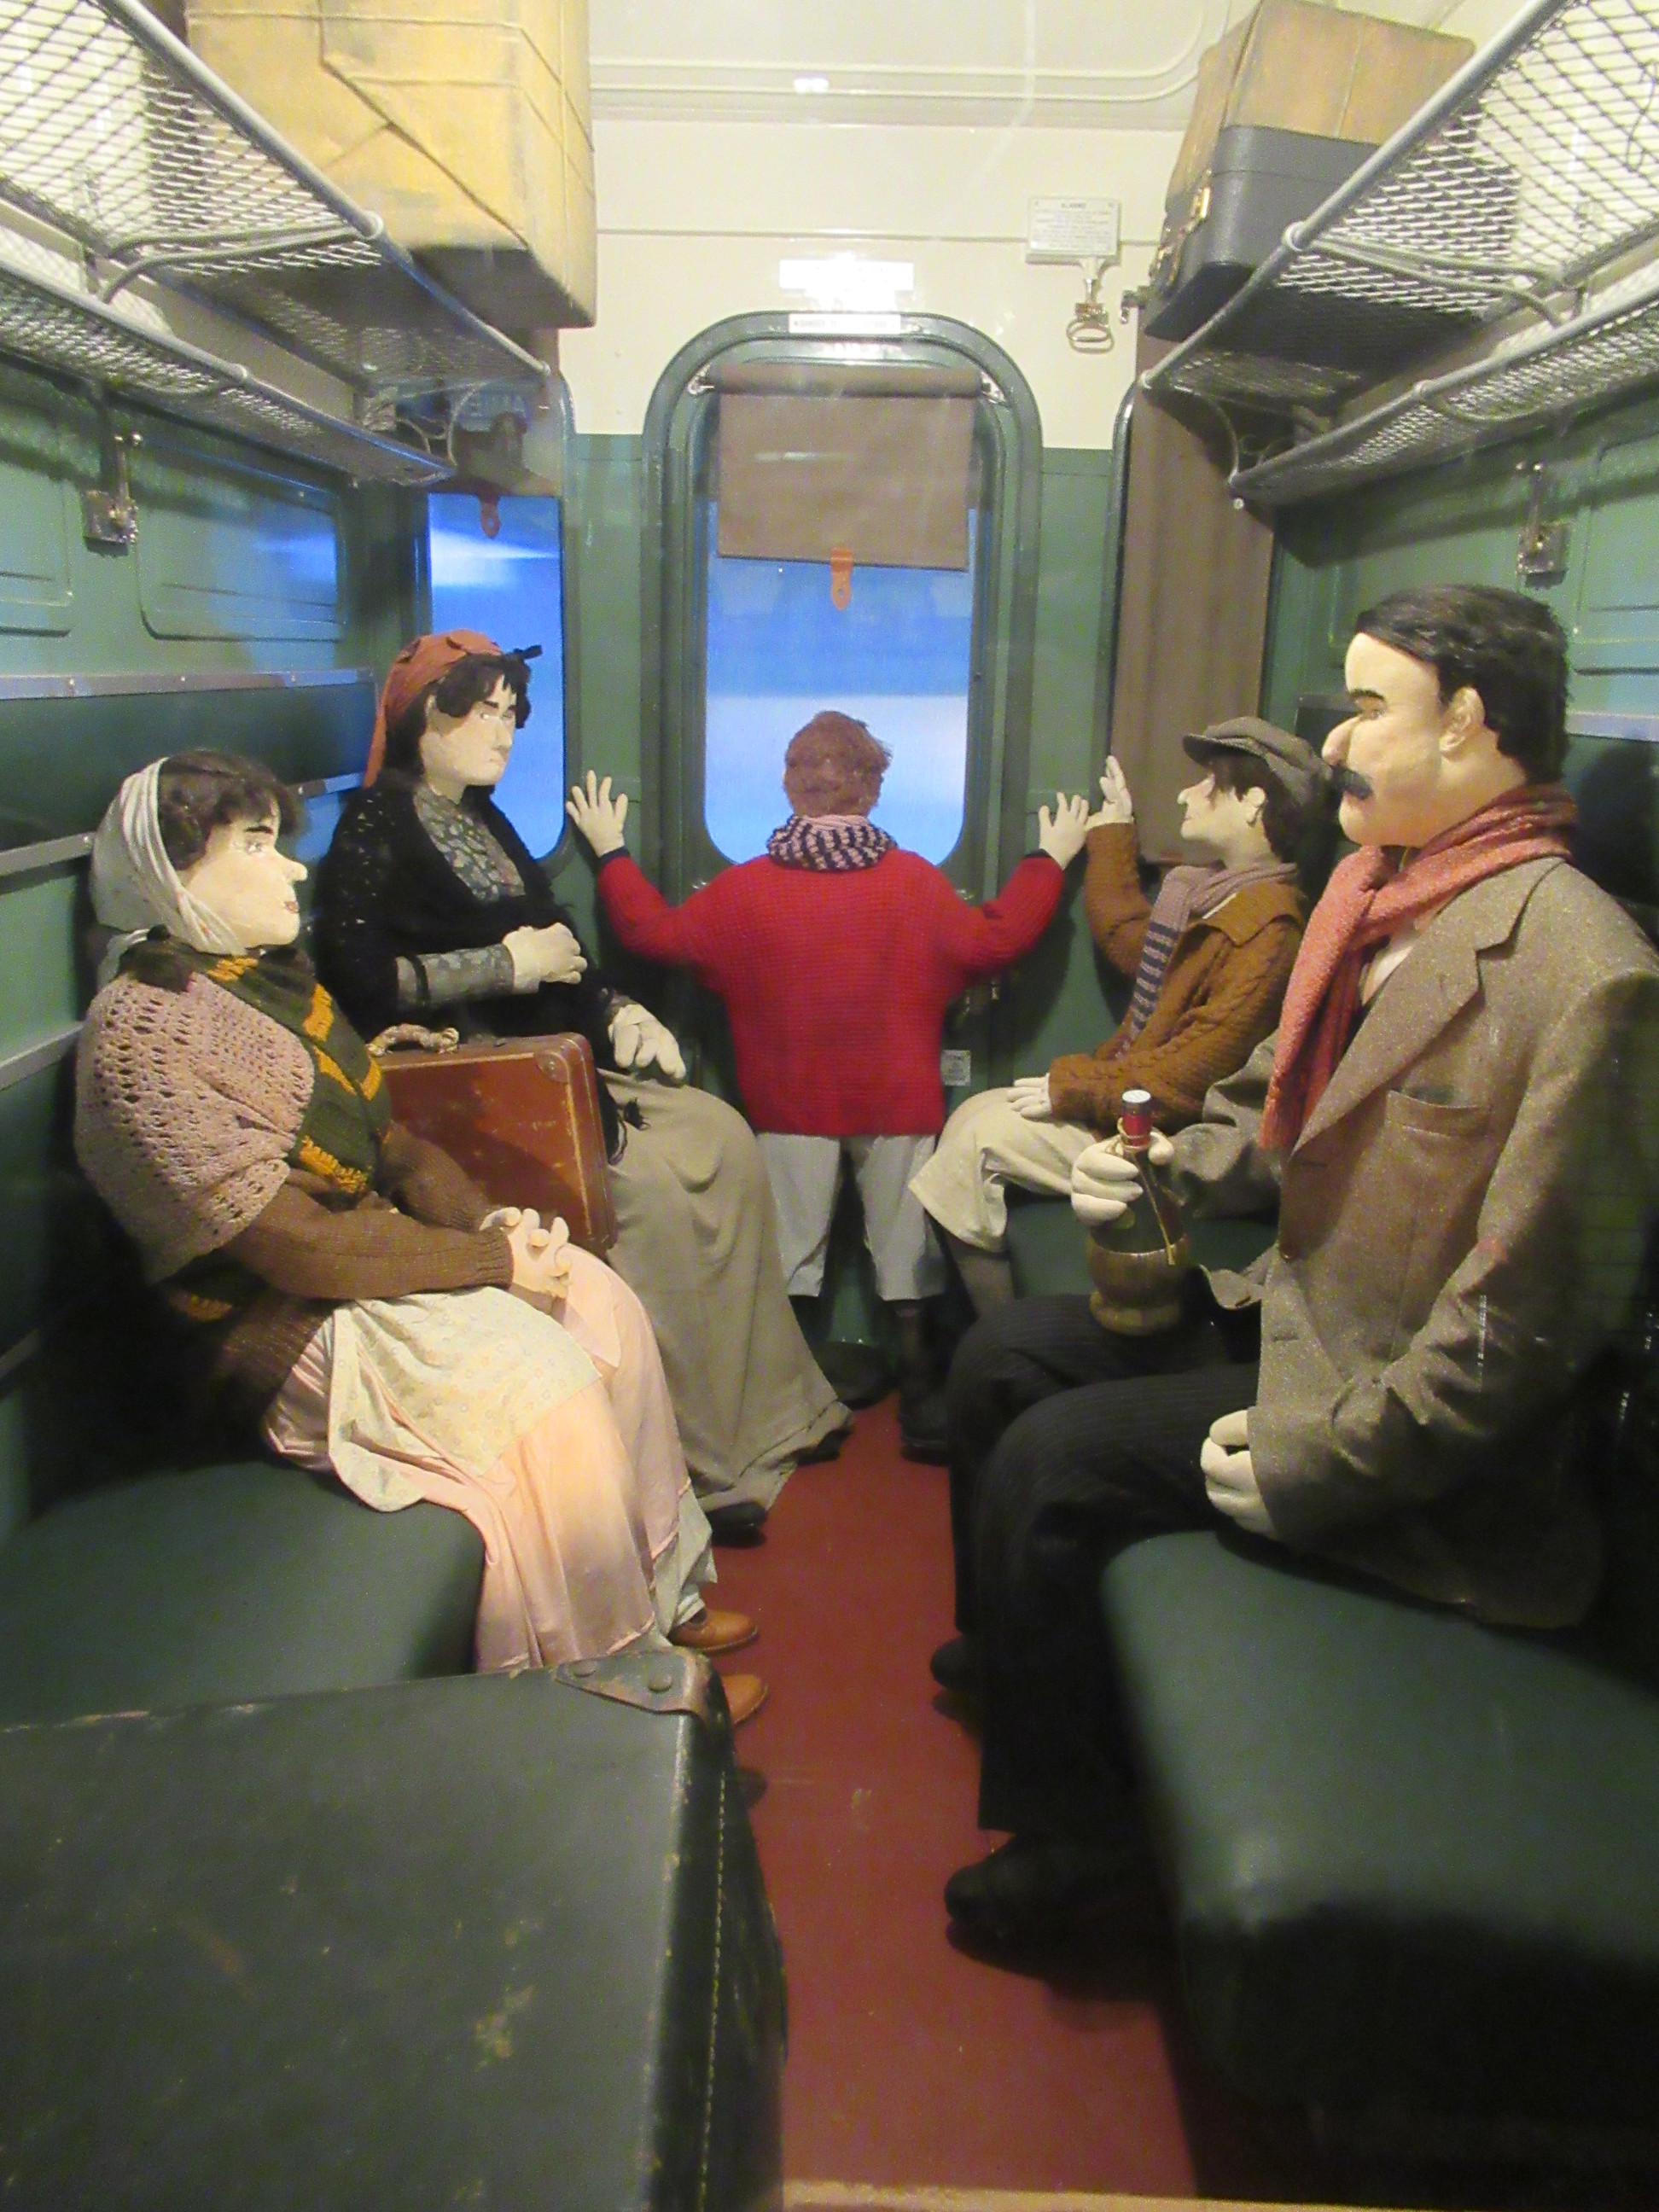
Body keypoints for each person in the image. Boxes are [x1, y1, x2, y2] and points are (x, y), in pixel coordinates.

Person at [936, 585, 1659, 1944]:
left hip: (1402, 1421)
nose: (1332, 744)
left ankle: (1081, 1849)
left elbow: (1522, 1326)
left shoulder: (1586, 974)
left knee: (1056, 1463)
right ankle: (1025, 1657)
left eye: (1367, 708)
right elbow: (1272, 1107)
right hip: (1296, 1311)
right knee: (999, 1361)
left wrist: (1320, 1462)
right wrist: (1158, 1167)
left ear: (1469, 723)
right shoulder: (1375, 899)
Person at [75, 750, 765, 1720]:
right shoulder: (143, 1033)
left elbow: (392, 1146)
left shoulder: (271, 984)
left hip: (348, 1258)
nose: (293, 869)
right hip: (260, 1319)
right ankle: (603, 1696)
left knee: (600, 1302)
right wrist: (491, 1263)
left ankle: (660, 1601)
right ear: (170, 878)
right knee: (545, 1395)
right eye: (258, 848)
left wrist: (492, 1223)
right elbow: (291, 1247)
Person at [314, 632, 848, 1526]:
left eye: (510, 714)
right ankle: (700, 1460)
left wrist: (617, 1011)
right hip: (475, 1075)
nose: (504, 732)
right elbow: (358, 976)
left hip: (554, 1056)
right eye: (482, 713)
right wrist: (501, 965)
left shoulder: (487, 820)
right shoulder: (376, 824)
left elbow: (560, 946)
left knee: (721, 1135)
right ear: (425, 720)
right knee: (651, 1198)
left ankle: (775, 1413)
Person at [565, 708, 1094, 1423]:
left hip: (788, 1106)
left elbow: (650, 933)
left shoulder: (745, 892)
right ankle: (920, 1390)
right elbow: (996, 941)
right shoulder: (914, 884)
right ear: (872, 787)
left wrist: (610, 852)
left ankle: (793, 1393)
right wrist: (1049, 859)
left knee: (787, 1255)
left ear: (791, 786)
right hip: (899, 1102)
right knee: (907, 1252)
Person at [910, 717, 1319, 1329]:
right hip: (1139, 1098)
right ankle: (989, 1329)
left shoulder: (1268, 928)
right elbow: (1132, 940)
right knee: (972, 1116)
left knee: (975, 1143)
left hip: (1172, 1133)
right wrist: (1113, 831)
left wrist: (1076, 1086)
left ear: (1255, 804)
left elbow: (1193, 1074)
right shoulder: (1209, 893)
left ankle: (1004, 1329)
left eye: (1210, 785)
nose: (1186, 794)